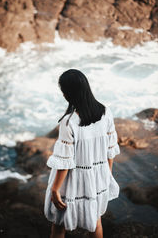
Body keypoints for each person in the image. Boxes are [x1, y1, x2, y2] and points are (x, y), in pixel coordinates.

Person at [44, 69, 120, 238]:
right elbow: (110, 151)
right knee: (95, 223)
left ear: (67, 95)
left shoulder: (68, 122)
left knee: (58, 225)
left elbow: (64, 162)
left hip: (71, 182)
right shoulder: (106, 112)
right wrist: (106, 176)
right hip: (96, 179)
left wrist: (55, 190)